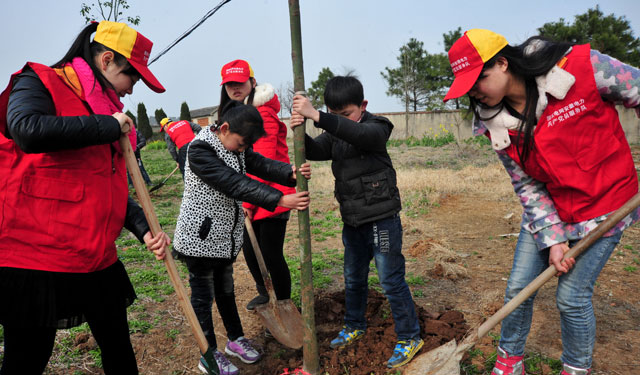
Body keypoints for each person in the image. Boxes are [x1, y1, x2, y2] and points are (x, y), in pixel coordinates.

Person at [443, 29, 640, 375]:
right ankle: (509, 361)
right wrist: (554, 239)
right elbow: (527, 185)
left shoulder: (580, 68)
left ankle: (576, 369)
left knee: (571, 297)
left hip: (606, 204)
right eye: (467, 87)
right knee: (519, 287)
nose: (475, 92)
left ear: (503, 63)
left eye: (479, 79)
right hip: (551, 205)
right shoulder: (495, 123)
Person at [0, 21, 171, 375]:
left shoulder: (105, 106)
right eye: (131, 78)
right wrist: (107, 125)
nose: (130, 90)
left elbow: (104, 187)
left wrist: (144, 229)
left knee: (120, 353)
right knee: (27, 359)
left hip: (93, 252)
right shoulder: (40, 81)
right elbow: (26, 130)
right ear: (106, 60)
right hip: (37, 255)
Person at [290, 76, 423, 369]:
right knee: (353, 276)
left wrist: (319, 116)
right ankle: (354, 324)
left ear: (362, 106)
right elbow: (317, 150)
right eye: (333, 114)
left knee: (390, 279)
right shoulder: (335, 133)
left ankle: (410, 336)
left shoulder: (378, 126)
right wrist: (300, 132)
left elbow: (362, 137)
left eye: (346, 114)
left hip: (382, 220)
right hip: (353, 221)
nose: (339, 121)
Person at [172, 100, 311, 375]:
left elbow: (257, 163)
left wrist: (288, 173)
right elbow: (234, 183)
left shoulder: (234, 146)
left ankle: (234, 340)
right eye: (241, 143)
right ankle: (208, 353)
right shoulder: (200, 151)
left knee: (226, 291)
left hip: (222, 238)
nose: (244, 150)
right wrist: (280, 198)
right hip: (198, 240)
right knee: (203, 298)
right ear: (224, 129)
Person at [218, 59, 296, 312]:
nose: (235, 88)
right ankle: (265, 294)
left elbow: (263, 161)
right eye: (229, 84)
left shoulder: (262, 114)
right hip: (249, 193)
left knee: (270, 254)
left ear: (252, 82)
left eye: (239, 82)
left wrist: (249, 203)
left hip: (272, 194)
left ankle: (283, 303)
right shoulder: (235, 115)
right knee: (252, 251)